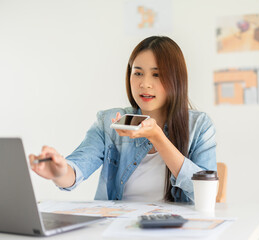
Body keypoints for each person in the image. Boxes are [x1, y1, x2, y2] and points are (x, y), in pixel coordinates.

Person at [29, 36, 217, 202]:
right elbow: (77, 167)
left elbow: (205, 193)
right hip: (118, 227)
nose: (144, 83)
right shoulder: (109, 121)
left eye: (157, 74)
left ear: (177, 79)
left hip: (175, 229)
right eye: (138, 73)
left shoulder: (199, 126)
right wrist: (59, 172)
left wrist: (157, 137)